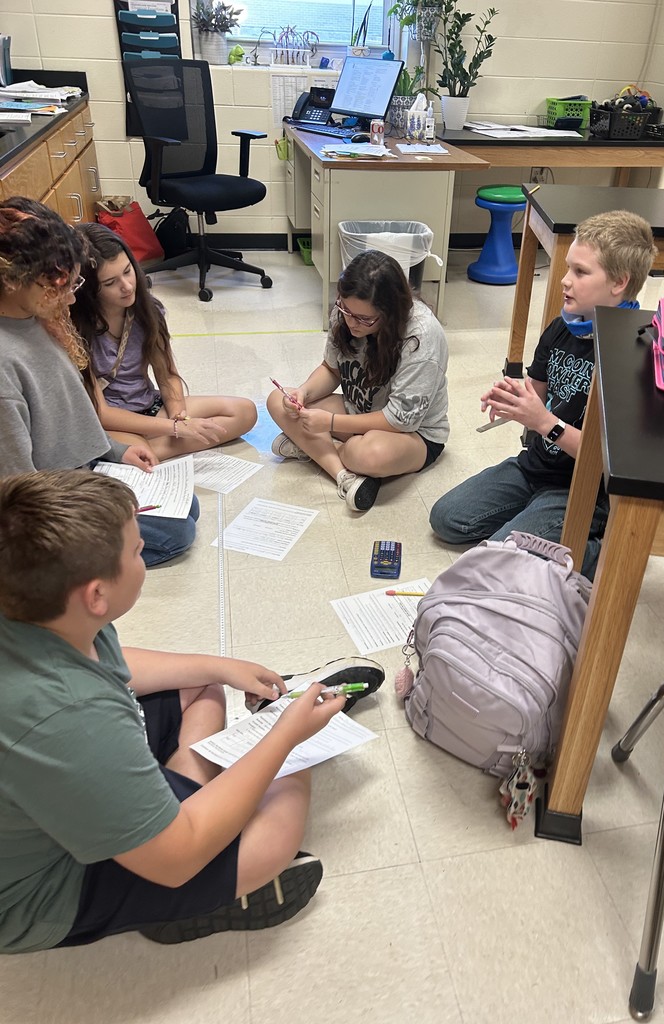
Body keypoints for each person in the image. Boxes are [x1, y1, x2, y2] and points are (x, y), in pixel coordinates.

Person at [0, 469, 383, 952]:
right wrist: (285, 739)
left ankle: (186, 801)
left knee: (201, 685)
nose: (144, 554)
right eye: (137, 552)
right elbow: (177, 859)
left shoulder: (35, 608)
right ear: (96, 595)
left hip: (63, 795)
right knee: (274, 837)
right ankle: (188, 883)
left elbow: (113, 662)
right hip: (40, 888)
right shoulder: (72, 717)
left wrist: (218, 666)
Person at [429, 210, 657, 580]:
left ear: (619, 283)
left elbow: (607, 459)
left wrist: (544, 422)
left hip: (581, 490)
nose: (565, 280)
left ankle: (602, 549)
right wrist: (513, 398)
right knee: (446, 519)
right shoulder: (561, 327)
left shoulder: (634, 351)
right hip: (536, 467)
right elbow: (535, 393)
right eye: (568, 268)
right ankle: (537, 530)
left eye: (580, 272)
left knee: (497, 560)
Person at [0, 196, 198, 568]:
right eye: (57, 281)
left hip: (84, 470)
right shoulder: (6, 360)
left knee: (188, 507)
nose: (70, 295)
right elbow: (17, 493)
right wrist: (93, 503)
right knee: (177, 532)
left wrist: (114, 451)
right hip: (51, 503)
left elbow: (71, 418)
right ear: (13, 280)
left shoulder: (40, 319)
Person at [266, 250, 449, 511]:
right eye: (346, 310)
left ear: (390, 312)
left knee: (368, 454)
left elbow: (399, 421)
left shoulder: (421, 337)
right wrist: (304, 392)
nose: (352, 323)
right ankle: (344, 475)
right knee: (278, 400)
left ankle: (315, 448)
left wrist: (329, 423)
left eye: (365, 319)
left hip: (413, 433)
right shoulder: (346, 310)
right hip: (360, 410)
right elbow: (332, 370)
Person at [72, 223, 257, 460]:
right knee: (139, 450)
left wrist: (179, 417)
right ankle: (143, 449)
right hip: (112, 423)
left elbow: (167, 374)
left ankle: (147, 449)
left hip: (149, 407)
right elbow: (102, 413)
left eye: (128, 271)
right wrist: (174, 429)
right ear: (89, 289)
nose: (127, 286)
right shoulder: (77, 330)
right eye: (110, 283)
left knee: (244, 412)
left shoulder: (147, 311)